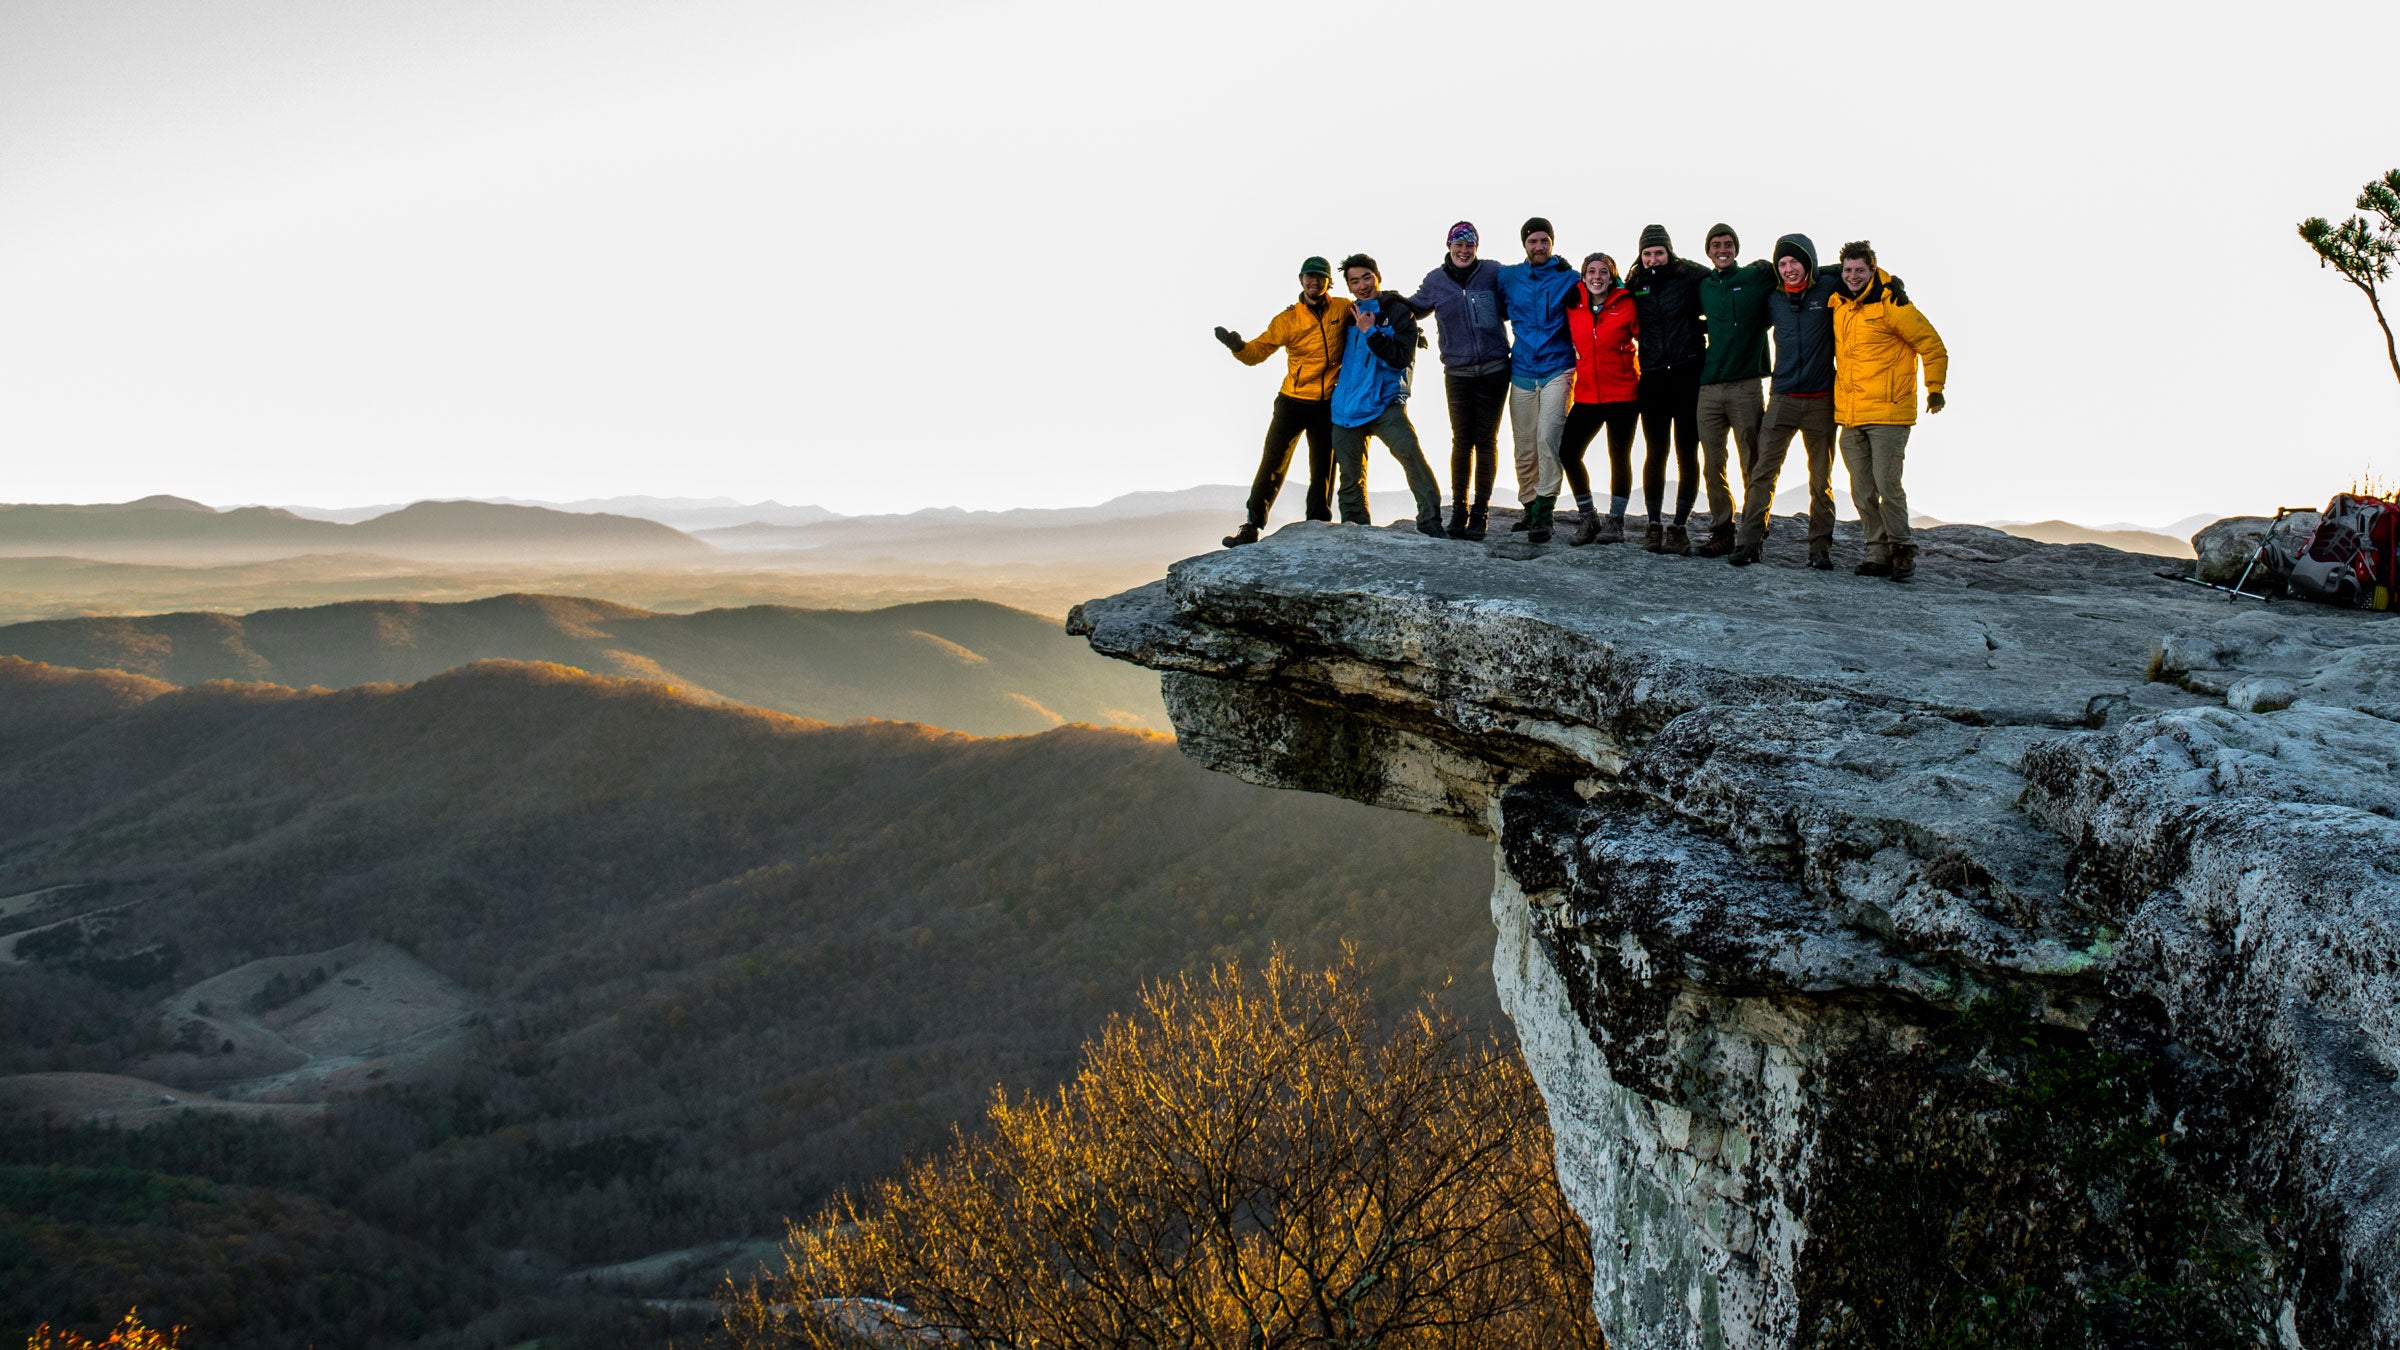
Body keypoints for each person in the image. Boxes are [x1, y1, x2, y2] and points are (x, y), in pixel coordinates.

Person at [1829, 240, 1948, 582]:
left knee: (1887, 485)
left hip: (1889, 414)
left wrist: (1935, 389)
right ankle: (1876, 553)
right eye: (1847, 270)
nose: (1852, 276)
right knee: (1862, 491)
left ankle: (1902, 549)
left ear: (1872, 270)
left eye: (1860, 270)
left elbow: (1932, 345)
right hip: (1851, 415)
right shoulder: (1839, 304)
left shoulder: (1892, 303)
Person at [1213, 257, 1351, 547]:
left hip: (1327, 402)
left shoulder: (1342, 308)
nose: (1314, 281)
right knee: (1272, 464)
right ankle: (1252, 526)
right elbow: (1257, 352)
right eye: (1309, 277)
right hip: (1292, 401)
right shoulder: (1287, 319)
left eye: (1320, 277)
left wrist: (1407, 329)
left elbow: (1374, 309)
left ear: (1328, 282)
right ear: (1301, 280)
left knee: (1324, 467)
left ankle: (1318, 523)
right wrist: (1238, 346)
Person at [1731, 233, 1844, 570]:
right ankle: (1749, 543)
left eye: (1796, 261)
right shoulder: (1773, 297)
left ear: (1809, 262)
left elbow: (1855, 268)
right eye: (1782, 263)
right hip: (1782, 398)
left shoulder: (1828, 288)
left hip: (1821, 399)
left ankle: (1819, 550)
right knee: (1763, 472)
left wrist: (1890, 281)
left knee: (1820, 478)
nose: (1789, 269)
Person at [1328, 254, 1447, 537]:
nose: (1362, 285)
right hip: (1346, 409)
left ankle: (1431, 522)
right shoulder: (1345, 313)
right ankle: (1356, 532)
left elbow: (1399, 357)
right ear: (1348, 286)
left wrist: (1370, 332)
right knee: (1350, 478)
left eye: (1366, 277)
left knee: (1411, 458)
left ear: (1378, 275)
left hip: (1385, 404)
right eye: (1354, 281)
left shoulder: (1397, 311)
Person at [1405, 223, 1511, 541]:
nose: (1464, 251)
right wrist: (1381, 299)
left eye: (1470, 245)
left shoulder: (1493, 272)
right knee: (1462, 442)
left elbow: (1522, 286)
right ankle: (1459, 510)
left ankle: (1480, 513)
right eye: (1458, 245)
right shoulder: (1435, 281)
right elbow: (1412, 308)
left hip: (1494, 368)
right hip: (1458, 372)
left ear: (1476, 247)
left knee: (1487, 441)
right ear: (1449, 245)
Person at [1626, 225, 1712, 554]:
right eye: (1648, 254)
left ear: (1669, 252)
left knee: (1687, 451)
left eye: (1659, 253)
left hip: (1688, 373)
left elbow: (1713, 276)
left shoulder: (1687, 275)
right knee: (1655, 452)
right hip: (1652, 376)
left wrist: (1698, 327)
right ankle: (1652, 524)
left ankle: (1679, 526)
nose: (1653, 259)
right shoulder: (1636, 283)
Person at [1692, 224, 1775, 557]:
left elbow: (1804, 270)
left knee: (1752, 460)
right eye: (1715, 245)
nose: (1721, 250)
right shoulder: (1703, 285)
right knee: (1712, 465)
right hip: (1709, 386)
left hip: (1746, 384)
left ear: (1736, 249)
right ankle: (1722, 530)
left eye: (1727, 244)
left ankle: (1753, 531)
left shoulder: (1755, 278)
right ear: (1708, 252)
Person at [1495, 218, 1579, 542]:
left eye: (1545, 241)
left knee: (1548, 437)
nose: (1539, 246)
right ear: (1525, 245)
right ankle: (1528, 507)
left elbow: (1601, 282)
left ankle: (1545, 512)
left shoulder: (1569, 278)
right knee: (1524, 444)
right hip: (1522, 370)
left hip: (1559, 367)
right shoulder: (1509, 277)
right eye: (1533, 241)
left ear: (1553, 243)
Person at [1559, 252, 1641, 545]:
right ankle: (1588, 516)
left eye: (1603, 272)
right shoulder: (1573, 303)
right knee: (1568, 452)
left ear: (1612, 276)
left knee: (1618, 456)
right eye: (1591, 272)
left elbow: (1648, 337)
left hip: (1624, 393)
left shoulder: (1627, 303)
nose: (1597, 277)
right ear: (1583, 276)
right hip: (1587, 395)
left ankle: (1615, 522)